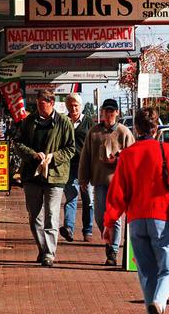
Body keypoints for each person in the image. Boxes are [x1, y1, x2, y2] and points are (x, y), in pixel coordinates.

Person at [103, 107, 169, 314]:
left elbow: (117, 193)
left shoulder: (128, 154)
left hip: (136, 219)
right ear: (156, 128)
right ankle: (159, 303)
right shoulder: (163, 150)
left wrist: (109, 222)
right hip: (161, 216)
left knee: (147, 272)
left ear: (136, 128)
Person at [13, 90, 75, 267]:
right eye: (38, 104)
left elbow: (71, 148)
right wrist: (33, 155)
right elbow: (18, 143)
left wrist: (53, 157)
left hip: (55, 176)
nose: (40, 107)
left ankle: (49, 253)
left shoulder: (63, 123)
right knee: (35, 217)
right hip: (33, 176)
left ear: (52, 103)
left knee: (51, 215)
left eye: (43, 104)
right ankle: (43, 247)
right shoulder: (29, 121)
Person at [78, 98, 135, 266]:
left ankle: (113, 251)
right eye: (106, 111)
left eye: (112, 111)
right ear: (102, 112)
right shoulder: (94, 132)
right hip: (99, 182)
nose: (109, 114)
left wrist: (117, 161)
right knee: (100, 216)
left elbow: (133, 157)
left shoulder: (124, 133)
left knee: (115, 218)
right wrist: (83, 178)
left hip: (118, 183)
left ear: (117, 113)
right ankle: (109, 241)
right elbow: (85, 157)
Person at [59, 93, 95, 243]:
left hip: (85, 166)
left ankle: (88, 230)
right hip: (69, 166)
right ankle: (69, 229)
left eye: (76, 105)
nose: (73, 108)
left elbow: (94, 143)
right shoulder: (63, 122)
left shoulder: (88, 122)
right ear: (67, 106)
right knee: (71, 197)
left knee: (87, 199)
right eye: (71, 105)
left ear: (80, 106)